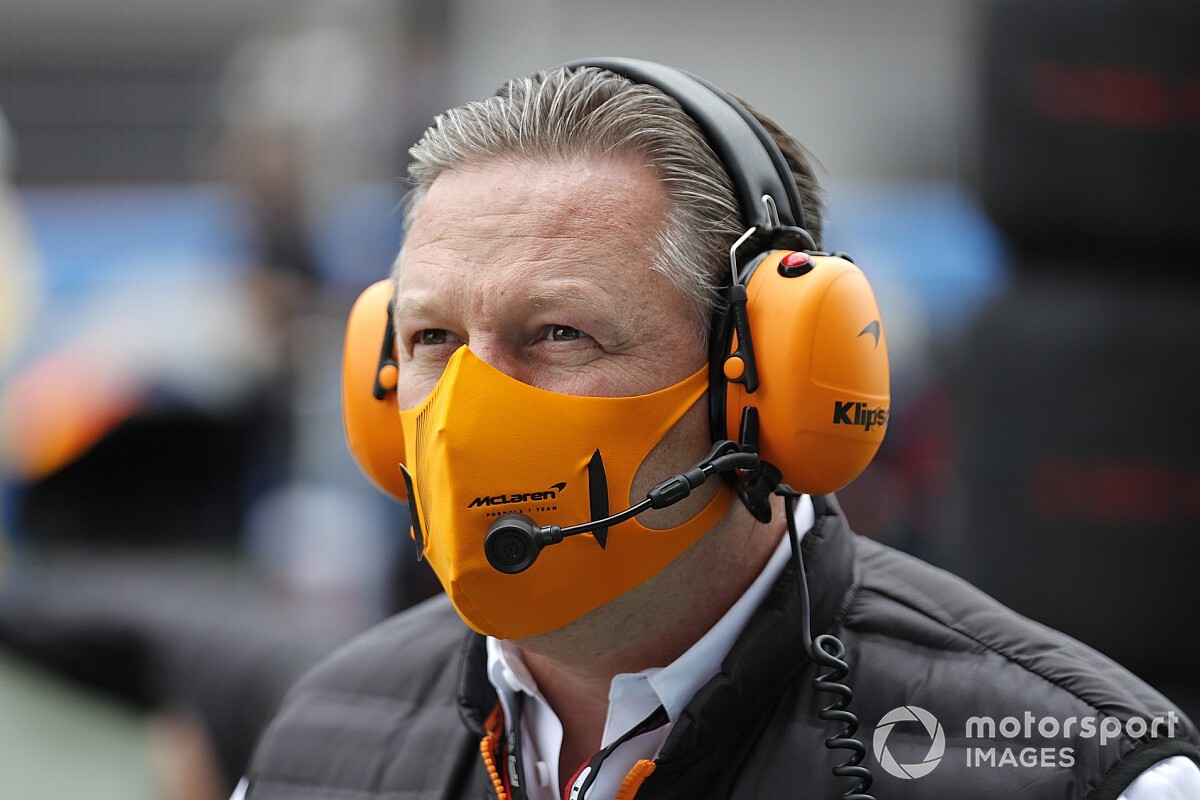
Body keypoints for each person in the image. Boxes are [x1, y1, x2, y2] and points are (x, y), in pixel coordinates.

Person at [237, 60, 1200, 799]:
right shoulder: (312, 746)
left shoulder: (1081, 774)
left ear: (769, 381)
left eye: (561, 333)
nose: (469, 409)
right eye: (434, 339)